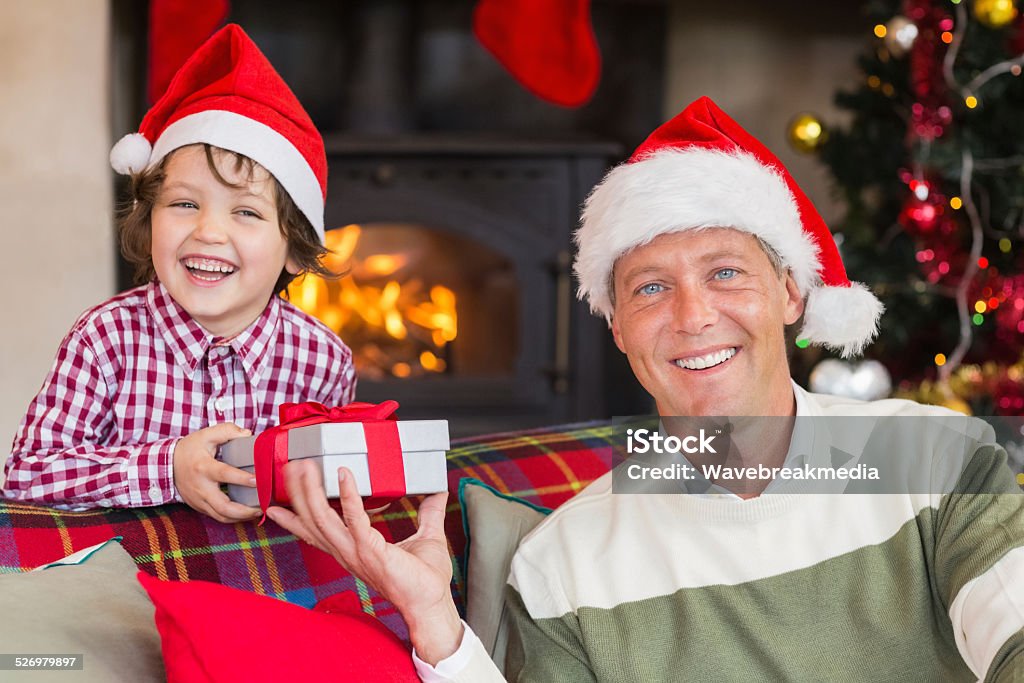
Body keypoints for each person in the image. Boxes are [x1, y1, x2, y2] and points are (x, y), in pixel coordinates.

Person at [267, 97, 1024, 681]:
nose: (693, 316)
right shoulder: (562, 563)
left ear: (792, 292)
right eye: (651, 288)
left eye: (726, 272)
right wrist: (436, 622)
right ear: (619, 328)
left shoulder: (936, 460)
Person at [3, 24, 356, 524]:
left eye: (247, 213)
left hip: (264, 579)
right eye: (185, 204)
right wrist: (167, 468)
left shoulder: (325, 361)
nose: (209, 232)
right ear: (149, 225)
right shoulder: (106, 339)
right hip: (129, 579)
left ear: (295, 251)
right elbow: (26, 477)